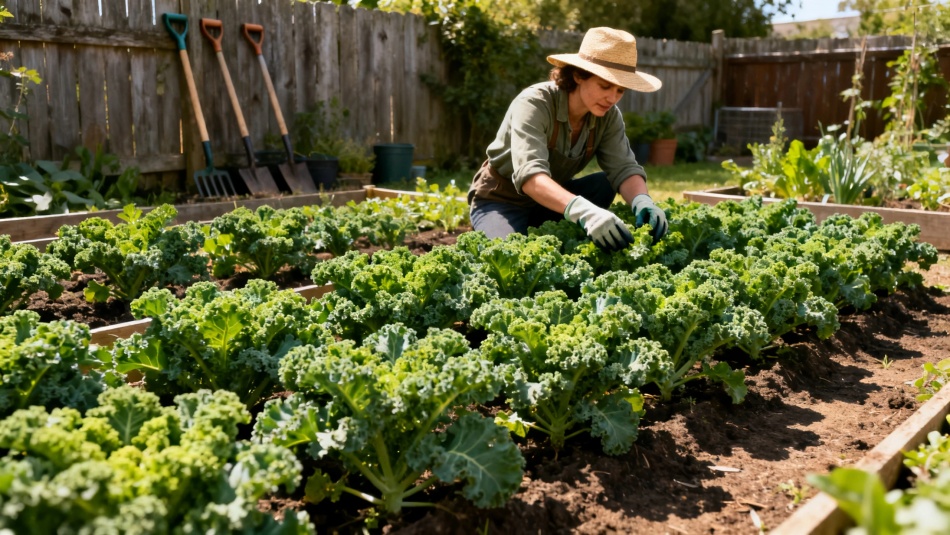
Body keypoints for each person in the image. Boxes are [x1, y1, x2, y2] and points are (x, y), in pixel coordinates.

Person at [467, 27, 669, 251]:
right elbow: (531, 177)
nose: (612, 98)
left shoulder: (608, 116)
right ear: (578, 75)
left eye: (620, 90)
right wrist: (585, 211)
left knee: (605, 183)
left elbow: (624, 167)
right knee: (510, 257)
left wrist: (643, 201)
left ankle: (552, 229)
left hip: (551, 203)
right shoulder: (534, 103)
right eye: (605, 86)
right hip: (502, 201)